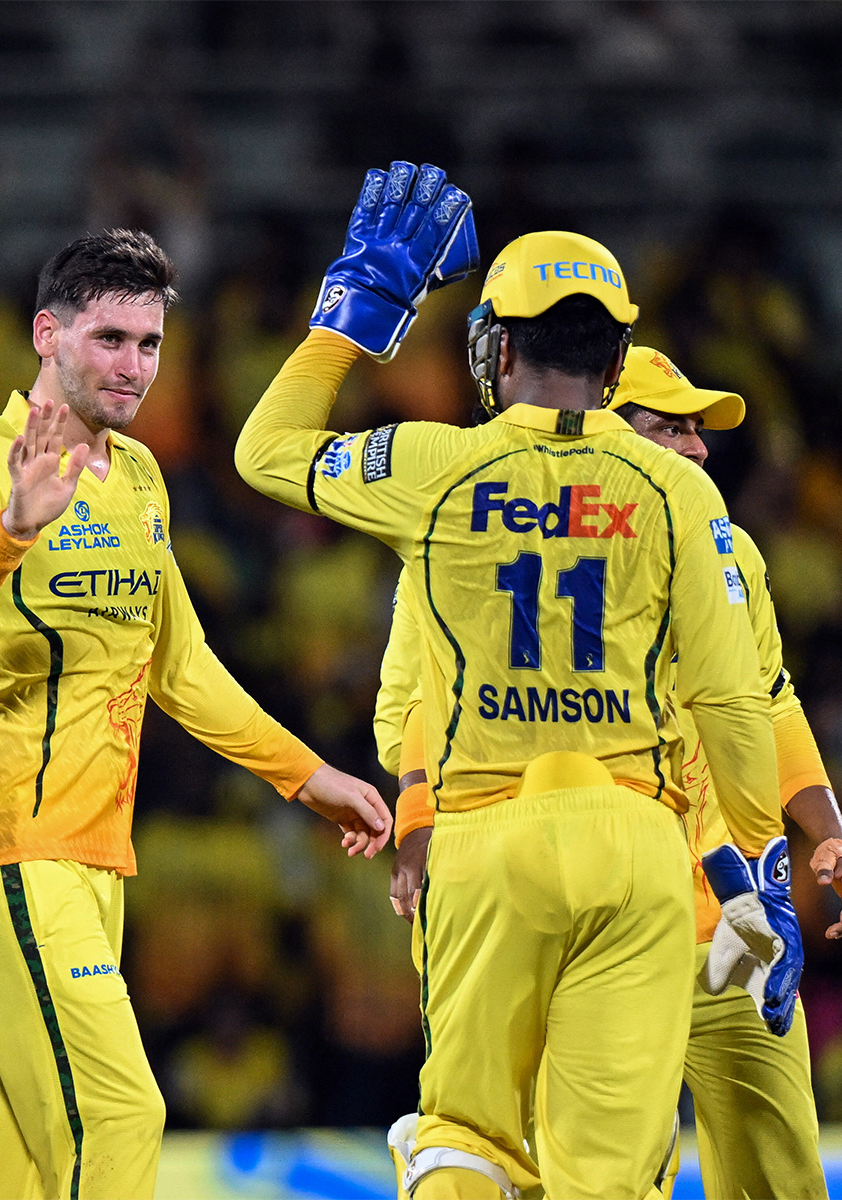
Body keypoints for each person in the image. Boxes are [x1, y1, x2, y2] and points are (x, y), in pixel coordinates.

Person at [234, 162, 792, 1200]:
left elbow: (265, 452)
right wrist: (758, 873)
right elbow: (727, 698)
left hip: (483, 840)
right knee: (606, 1177)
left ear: (493, 347)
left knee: (463, 1140)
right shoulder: (677, 488)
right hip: (637, 846)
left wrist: (358, 309)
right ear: (618, 356)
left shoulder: (435, 465)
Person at [0, 228, 391, 1200]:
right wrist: (9, 529)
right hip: (12, 853)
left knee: (16, 1164)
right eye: (110, 339)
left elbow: (181, 666)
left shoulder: (138, 478)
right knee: (120, 1115)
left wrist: (309, 777)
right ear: (48, 333)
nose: (134, 367)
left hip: (94, 864)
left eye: (150, 345)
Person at [380, 345, 839, 1199]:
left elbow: (768, 699)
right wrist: (417, 822)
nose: (699, 449)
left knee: (783, 1174)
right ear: (601, 432)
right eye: (671, 427)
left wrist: (828, 831)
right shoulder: (473, 535)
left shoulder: (728, 550)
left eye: (700, 431)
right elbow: (416, 704)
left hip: (733, 920)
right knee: (605, 1177)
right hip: (598, 912)